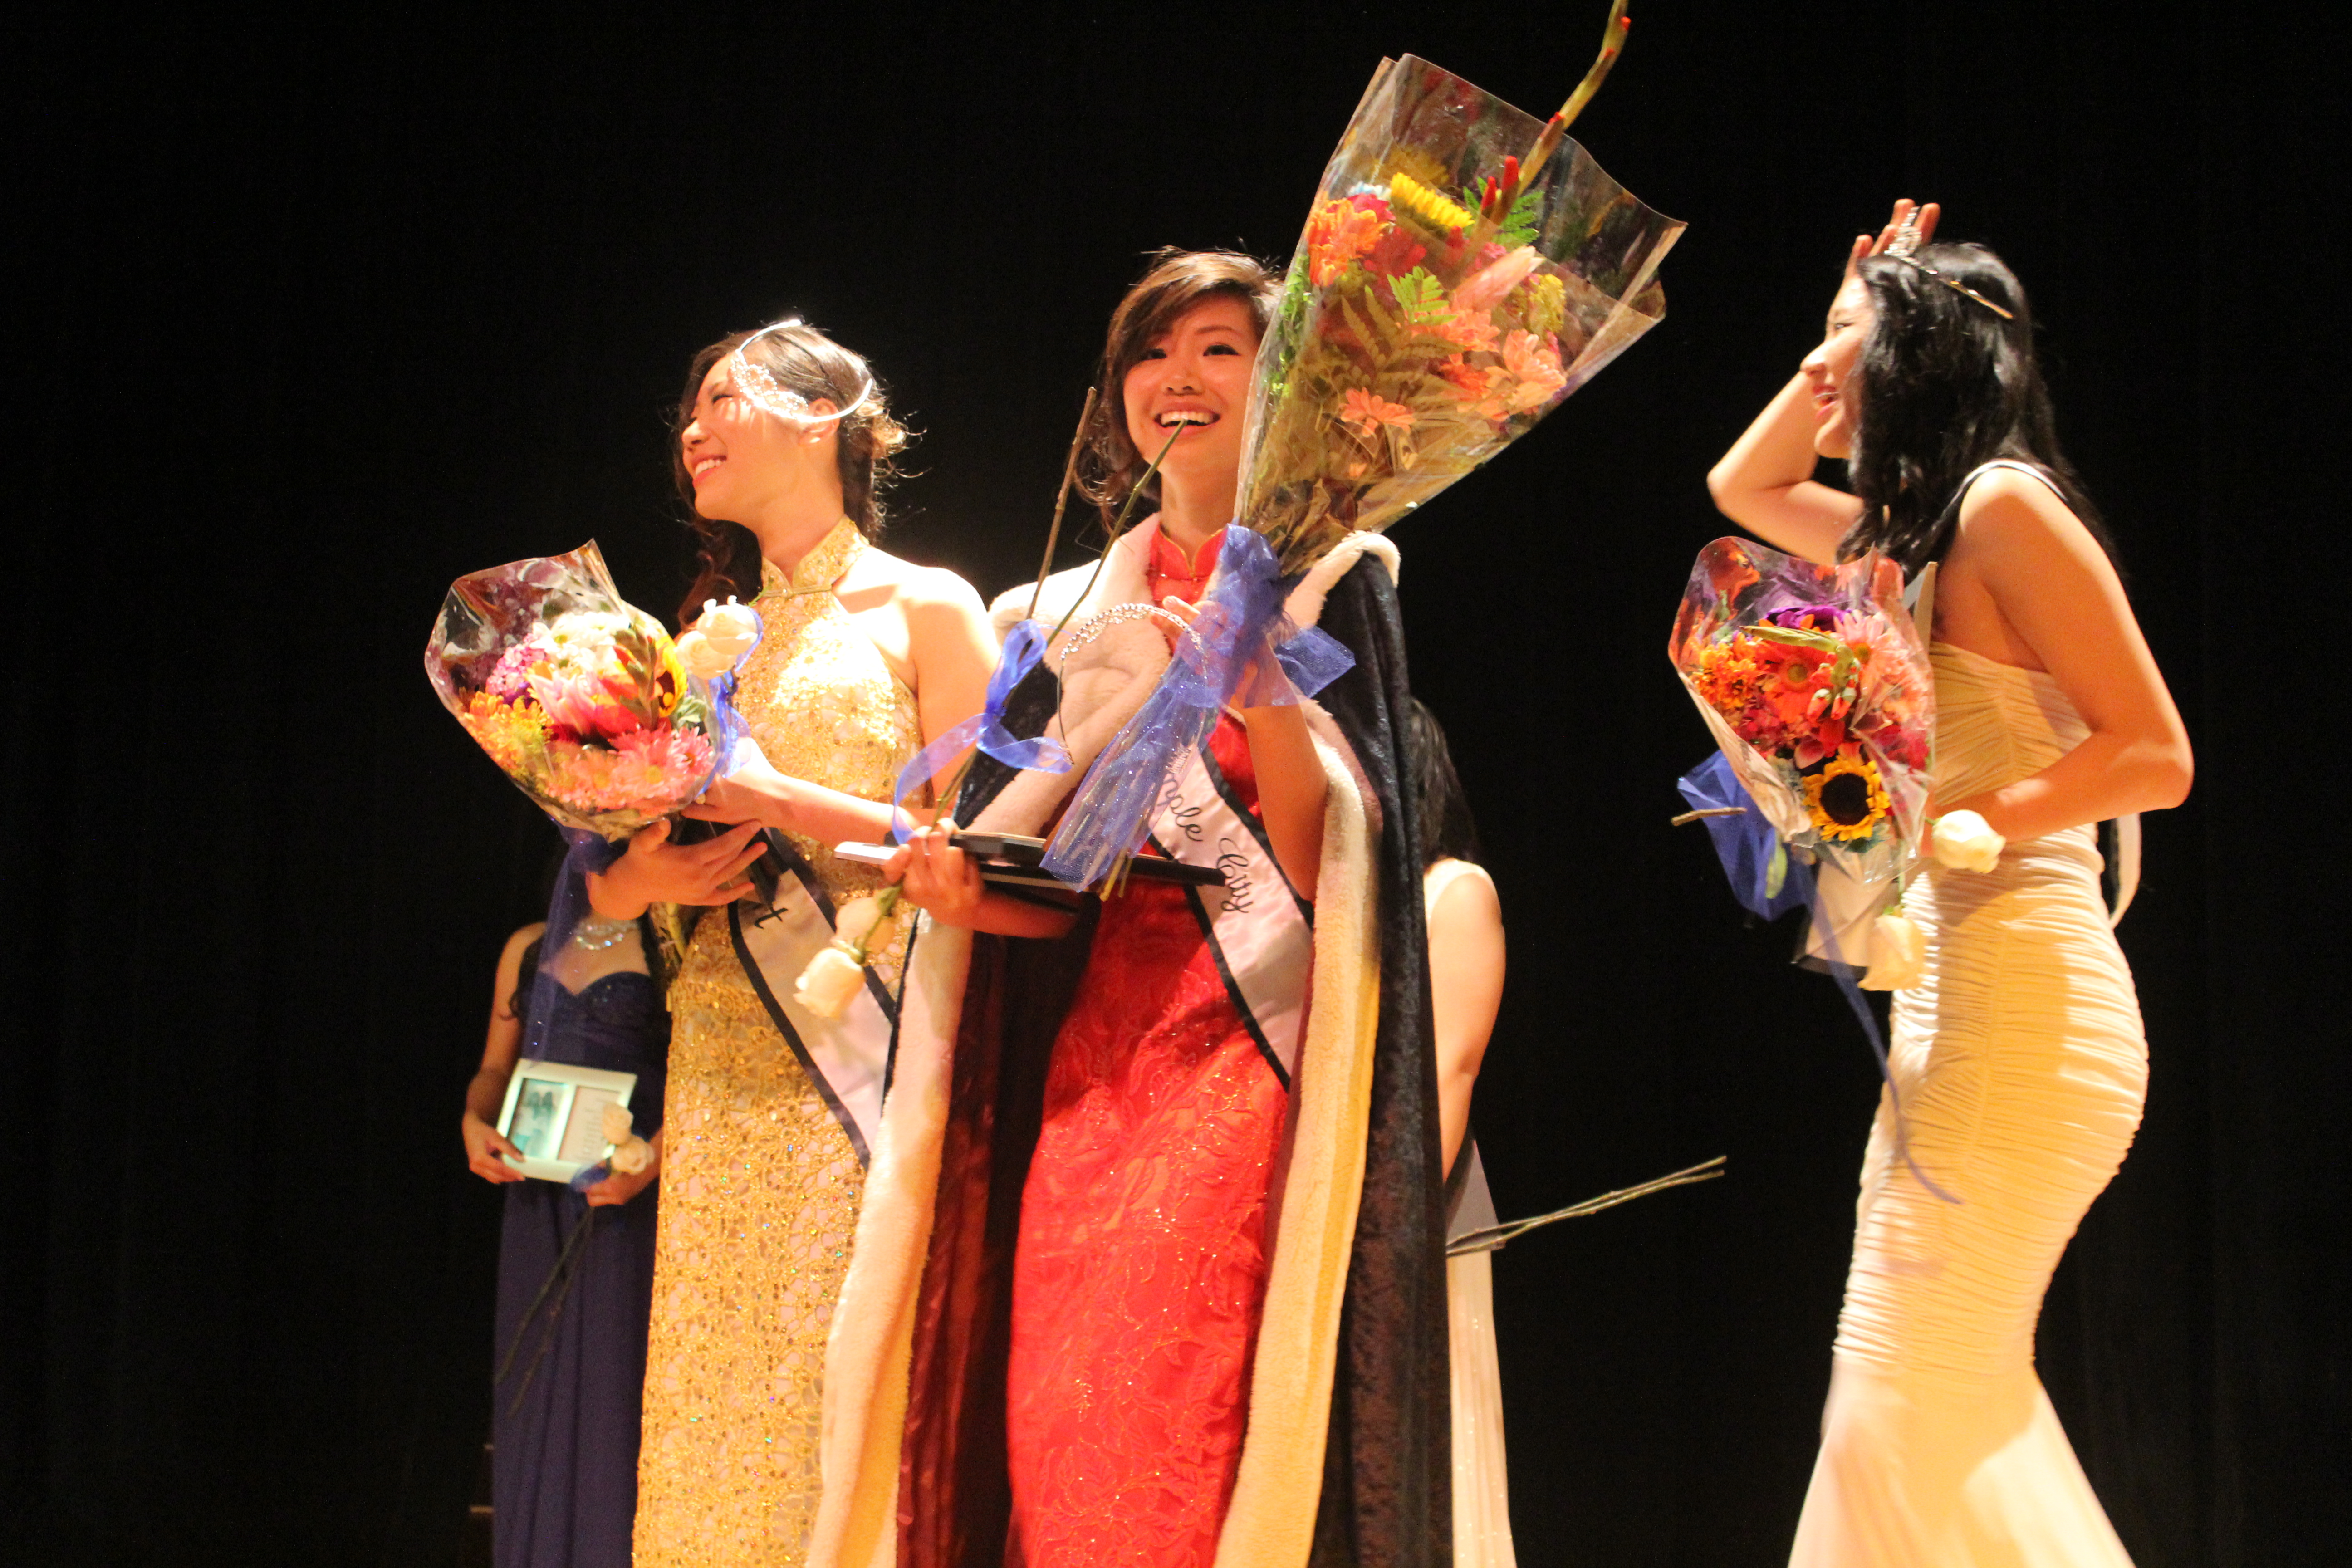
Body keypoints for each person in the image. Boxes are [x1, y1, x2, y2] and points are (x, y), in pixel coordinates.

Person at [809, 250, 1449, 1568]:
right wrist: (956, 891)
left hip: (1250, 1053)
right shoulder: (1060, 611)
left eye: (1220, 348)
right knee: (1058, 1408)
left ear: (1283, 385)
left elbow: (1329, 867)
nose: (1181, 377)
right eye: (1155, 353)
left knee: (1197, 1408)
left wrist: (1258, 669)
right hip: (1097, 1066)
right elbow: (1043, 908)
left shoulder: (1339, 575)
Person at [1706, 200, 2192, 1565]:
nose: (1815, 377)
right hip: (1959, 1001)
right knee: (1940, 1403)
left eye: (1842, 349)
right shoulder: (1911, 536)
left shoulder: (2003, 508)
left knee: (1896, 1407)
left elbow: (2155, 755)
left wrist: (1967, 819)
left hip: (2030, 1000)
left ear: (1919, 356)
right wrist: (1848, 313)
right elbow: (1742, 491)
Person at [581, 319, 996, 1566]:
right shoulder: (704, 642)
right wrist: (645, 878)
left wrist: (784, 803)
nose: (694, 428)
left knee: (841, 1402)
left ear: (826, 417)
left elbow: (979, 851)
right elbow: (657, 903)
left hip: (863, 1077)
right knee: (714, 1419)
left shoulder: (926, 603)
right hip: (722, 1067)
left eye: (725, 396)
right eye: (688, 411)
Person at [460, 842, 669, 1568]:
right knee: (535, 1390)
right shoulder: (527, 946)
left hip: (628, 1201)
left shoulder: (669, 936)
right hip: (539, 1202)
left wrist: (653, 1163)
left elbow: (710, 1075)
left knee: (611, 1393)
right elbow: (495, 1069)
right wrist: (474, 1123)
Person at [1404, 698, 1513, 1568]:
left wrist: (1396, 1231)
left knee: (1424, 1434)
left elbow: (1451, 1071)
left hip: (1417, 1216)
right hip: (1327, 1206)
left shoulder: (1456, 892)